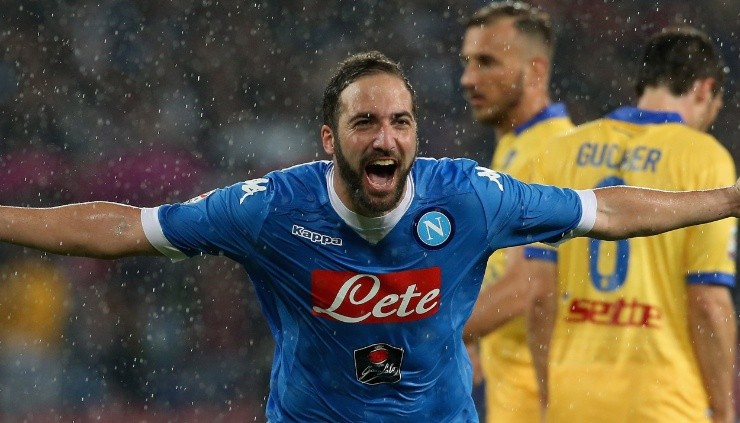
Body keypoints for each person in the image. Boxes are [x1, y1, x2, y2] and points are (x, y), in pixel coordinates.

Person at [1, 50, 739, 423]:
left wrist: (729, 198)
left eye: (400, 122)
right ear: (331, 138)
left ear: (415, 133)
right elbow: (128, 228)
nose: (385, 137)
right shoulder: (269, 209)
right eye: (365, 122)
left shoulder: (470, 199)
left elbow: (605, 210)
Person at [525, 26, 736, 423]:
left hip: (575, 399)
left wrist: (549, 396)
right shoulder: (707, 160)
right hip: (664, 401)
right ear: (705, 90)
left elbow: (538, 295)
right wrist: (725, 412)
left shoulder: (557, 153)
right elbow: (708, 304)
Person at [458, 3, 573, 422]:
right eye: (467, 62)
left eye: (486, 62)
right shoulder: (516, 145)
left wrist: (428, 332)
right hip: (511, 394)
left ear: (536, 71)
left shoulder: (552, 151)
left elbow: (527, 286)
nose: (468, 79)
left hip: (537, 400)